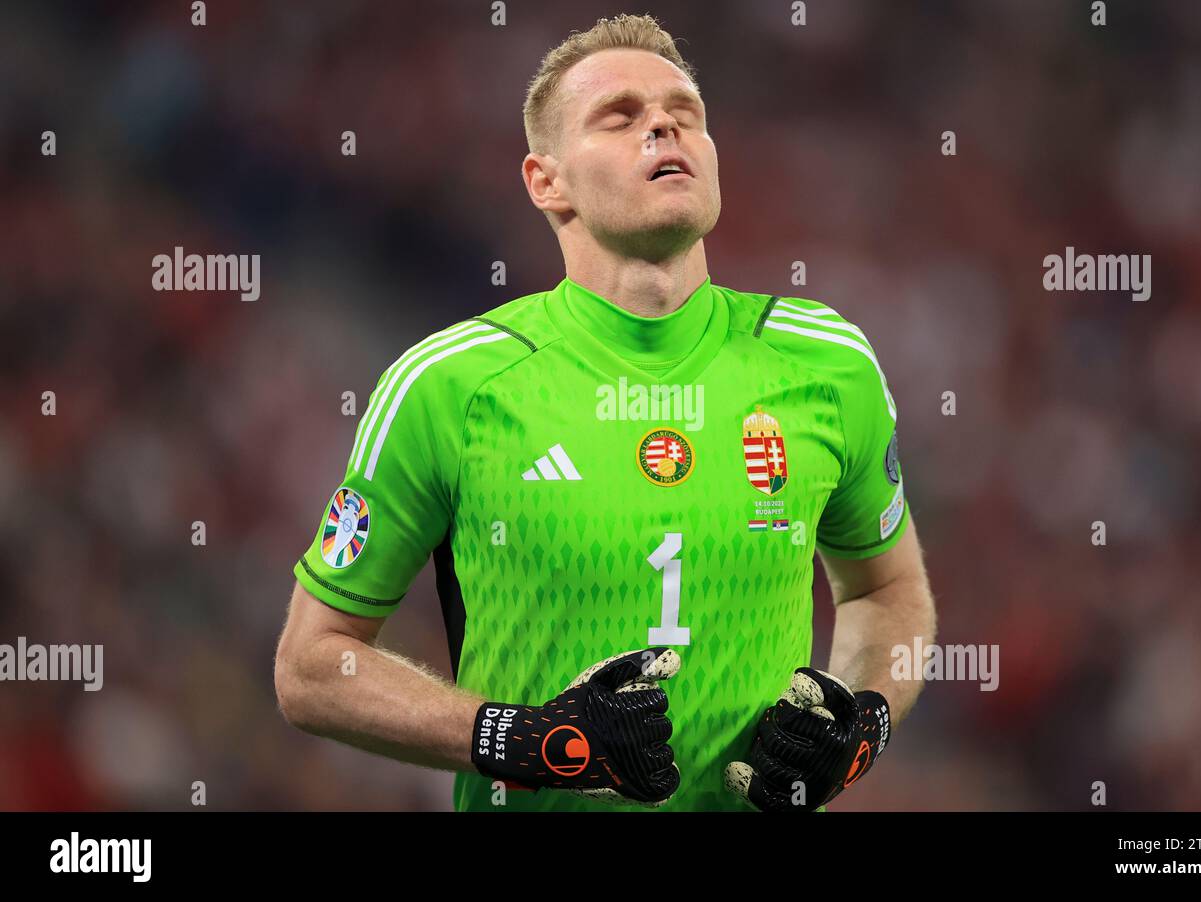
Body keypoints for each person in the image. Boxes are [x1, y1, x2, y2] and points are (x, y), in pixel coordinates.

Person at [275, 12, 936, 812]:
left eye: (685, 112)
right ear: (546, 181)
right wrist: (517, 737)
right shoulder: (449, 385)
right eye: (620, 116)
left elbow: (886, 592)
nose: (664, 123)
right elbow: (313, 666)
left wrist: (862, 723)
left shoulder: (827, 360)